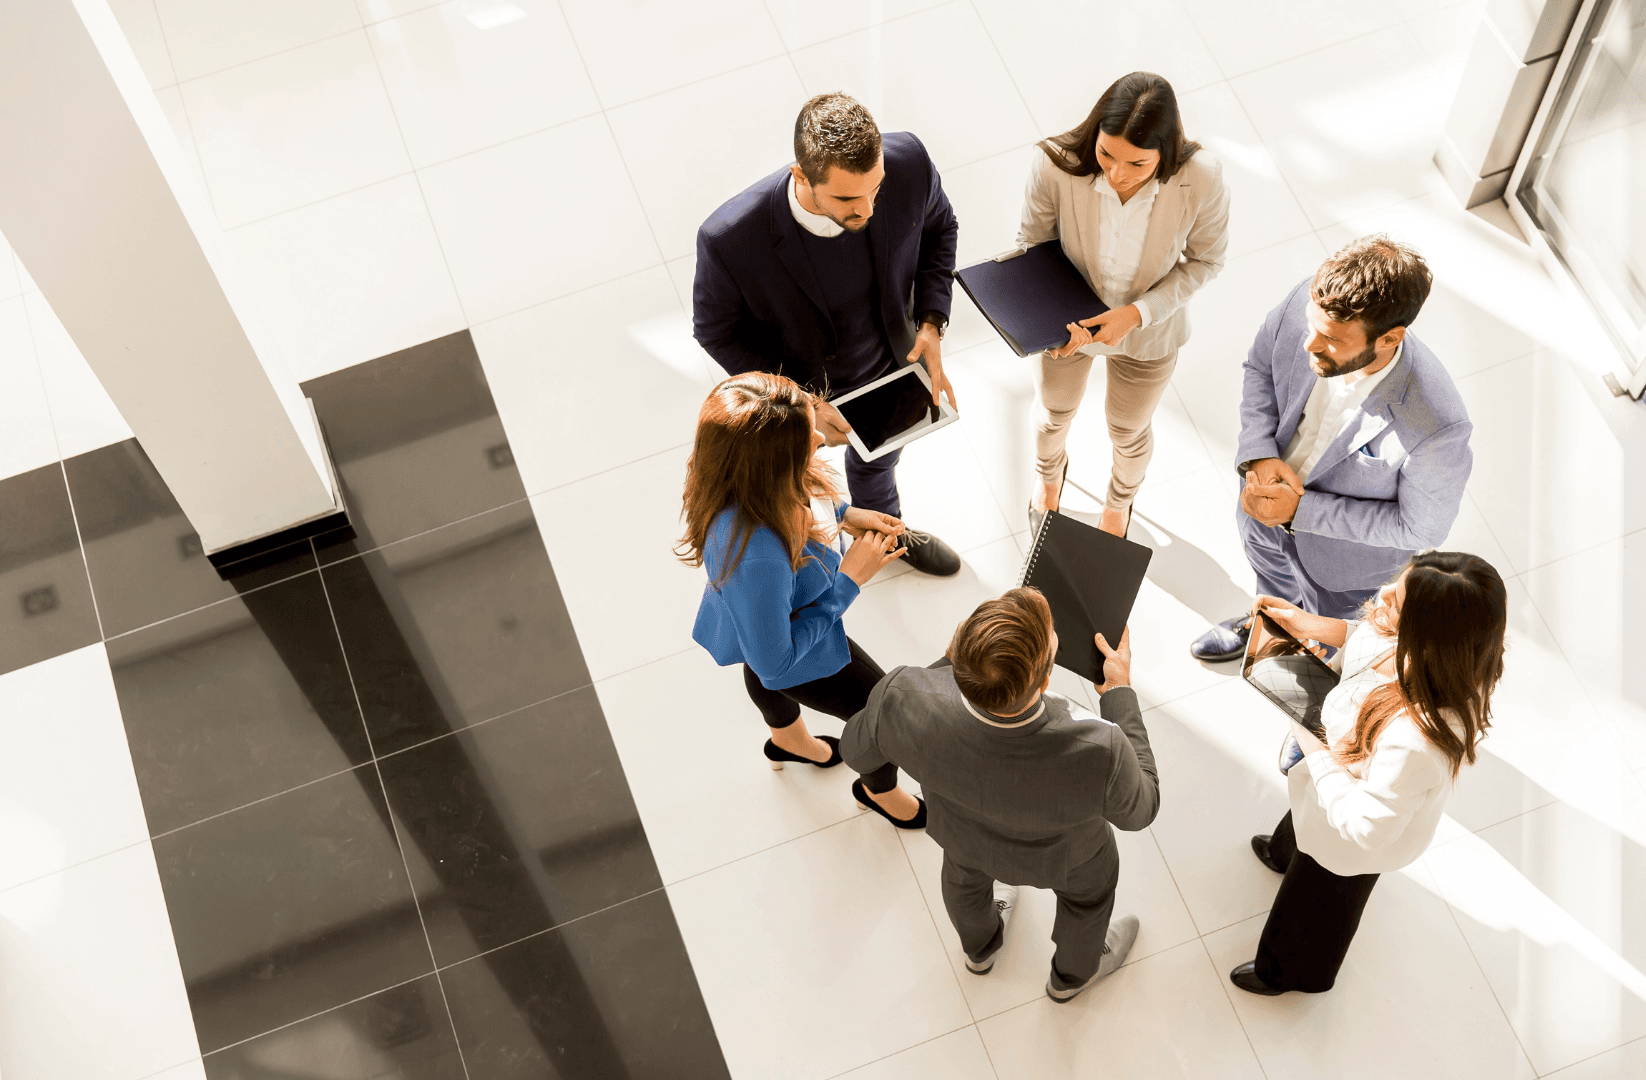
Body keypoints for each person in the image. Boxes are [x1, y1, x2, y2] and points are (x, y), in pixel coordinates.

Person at [841, 588, 1158, 1001]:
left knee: (964, 885)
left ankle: (980, 951)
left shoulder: (900, 698)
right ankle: (1070, 978)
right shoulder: (1101, 748)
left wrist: (943, 668)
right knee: (1088, 904)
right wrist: (1119, 694)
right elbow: (1141, 811)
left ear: (959, 646)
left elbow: (854, 750)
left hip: (963, 839)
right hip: (1070, 861)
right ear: (1045, 680)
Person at [693, 92, 963, 578]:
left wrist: (931, 323)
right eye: (846, 199)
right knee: (790, 492)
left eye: (875, 190)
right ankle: (805, 566)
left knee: (877, 463)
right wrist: (800, 403)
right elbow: (715, 328)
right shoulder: (730, 238)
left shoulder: (910, 165)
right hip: (797, 390)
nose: (869, 210)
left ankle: (885, 532)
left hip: (890, 366)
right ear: (801, 176)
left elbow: (941, 228)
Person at [1229, 551, 1507, 995]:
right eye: (1394, 586)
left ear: (1425, 635)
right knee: (1305, 831)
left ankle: (1287, 973)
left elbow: (1364, 828)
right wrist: (1312, 625)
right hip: (1330, 787)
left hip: (1349, 834)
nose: (1380, 597)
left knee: (1319, 902)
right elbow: (1372, 638)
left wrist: (1310, 737)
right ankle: (1287, 853)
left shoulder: (1418, 742)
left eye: (1395, 602)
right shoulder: (1440, 648)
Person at [1190, 235, 1473, 662]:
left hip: (1342, 571)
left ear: (1389, 338)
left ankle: (1309, 691)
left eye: (1333, 340)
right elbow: (1260, 368)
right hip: (1261, 513)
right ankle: (1266, 629)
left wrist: (1299, 513)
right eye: (1311, 326)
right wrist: (1261, 451)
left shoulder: (1436, 425)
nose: (1309, 345)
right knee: (1270, 588)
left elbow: (1421, 529)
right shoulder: (1313, 306)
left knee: (1325, 654)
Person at [680, 372, 927, 828]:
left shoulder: (748, 477)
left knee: (755, 664)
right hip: (799, 646)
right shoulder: (756, 556)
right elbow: (777, 664)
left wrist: (845, 513)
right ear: (770, 466)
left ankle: (787, 742)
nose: (819, 436)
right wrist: (849, 580)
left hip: (761, 618)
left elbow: (808, 497)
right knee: (877, 715)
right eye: (804, 439)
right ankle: (882, 793)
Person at [1020, 71, 1230, 537]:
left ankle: (1119, 504)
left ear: (1166, 153)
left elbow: (1205, 260)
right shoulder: (1055, 165)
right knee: (1053, 413)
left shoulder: (1202, 178)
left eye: (1138, 164)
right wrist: (1049, 323)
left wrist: (1137, 314)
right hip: (1068, 326)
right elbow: (1032, 248)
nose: (1117, 174)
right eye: (1107, 153)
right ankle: (1048, 478)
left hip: (1150, 333)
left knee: (1127, 430)